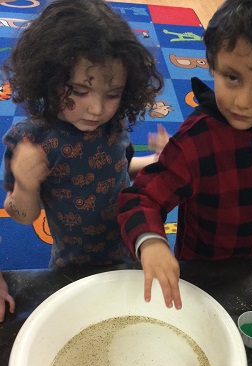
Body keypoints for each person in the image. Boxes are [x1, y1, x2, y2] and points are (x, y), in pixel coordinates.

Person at [117, 0, 252, 309]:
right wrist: (153, 243)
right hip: (199, 272)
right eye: (232, 78)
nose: (243, 102)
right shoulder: (194, 141)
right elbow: (140, 199)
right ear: (212, 63)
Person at [2, 0, 165, 268]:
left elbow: (117, 169)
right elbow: (23, 216)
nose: (97, 109)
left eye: (112, 94)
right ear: (49, 77)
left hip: (130, 248)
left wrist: (153, 162)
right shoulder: (31, 140)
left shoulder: (111, 122)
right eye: (79, 91)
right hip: (73, 264)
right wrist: (25, 185)